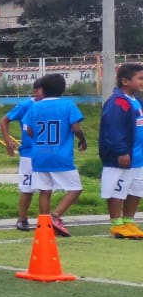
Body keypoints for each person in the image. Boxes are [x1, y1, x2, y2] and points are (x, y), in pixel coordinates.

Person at [24, 73, 87, 237]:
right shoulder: (68, 105)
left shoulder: (34, 106)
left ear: (42, 89)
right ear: (63, 89)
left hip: (39, 155)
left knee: (45, 190)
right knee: (75, 188)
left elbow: (29, 131)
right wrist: (82, 140)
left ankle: (44, 225)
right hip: (60, 156)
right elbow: (76, 127)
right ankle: (55, 216)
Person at [98, 62, 143, 239]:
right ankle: (117, 224)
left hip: (138, 157)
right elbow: (112, 129)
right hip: (121, 157)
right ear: (125, 81)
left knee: (136, 189)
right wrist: (121, 151)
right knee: (117, 189)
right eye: (140, 78)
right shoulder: (118, 102)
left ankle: (129, 222)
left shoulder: (136, 102)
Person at [0, 78, 45, 231]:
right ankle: (22, 219)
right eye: (41, 91)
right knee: (27, 188)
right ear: (35, 91)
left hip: (46, 153)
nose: (43, 94)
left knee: (46, 188)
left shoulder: (50, 105)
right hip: (28, 154)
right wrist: (8, 141)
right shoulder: (26, 105)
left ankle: (46, 220)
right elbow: (4, 120)